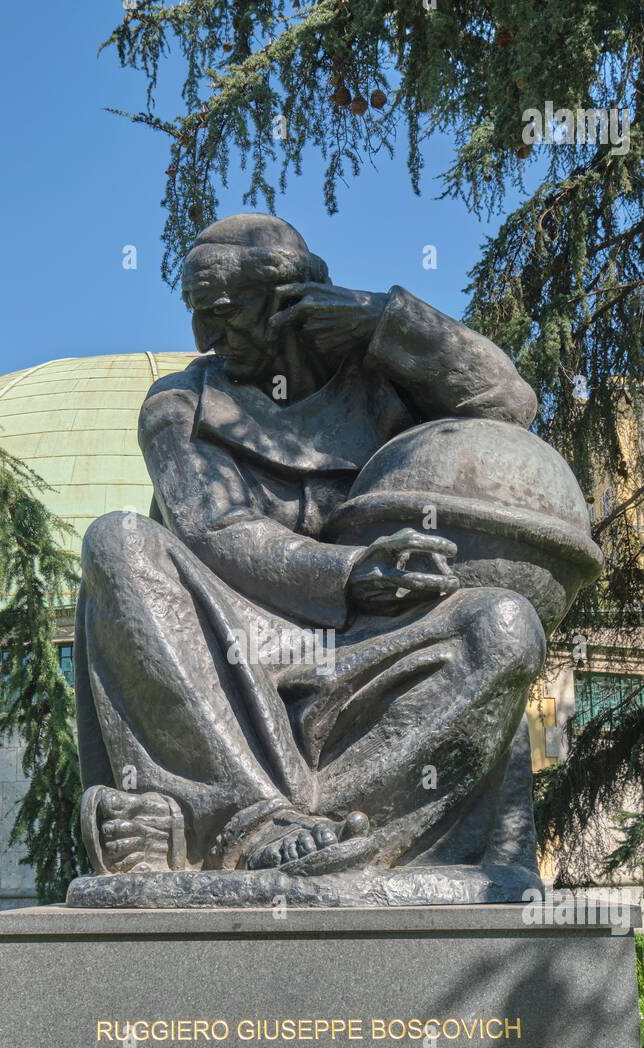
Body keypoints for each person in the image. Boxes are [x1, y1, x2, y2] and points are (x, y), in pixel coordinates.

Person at [74, 213, 545, 880]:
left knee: (504, 624)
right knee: (117, 539)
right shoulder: (180, 405)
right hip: (231, 635)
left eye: (221, 312)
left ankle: (351, 828)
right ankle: (257, 821)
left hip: (368, 639)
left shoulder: (382, 383)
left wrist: (387, 322)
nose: (205, 336)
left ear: (286, 300)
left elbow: (510, 407)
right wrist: (352, 571)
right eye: (196, 314)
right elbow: (220, 534)